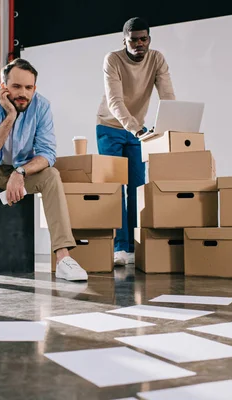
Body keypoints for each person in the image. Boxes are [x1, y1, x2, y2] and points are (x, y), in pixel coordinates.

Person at [0, 58, 88, 283]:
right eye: (16, 87)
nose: (23, 93)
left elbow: (47, 154)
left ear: (34, 88)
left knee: (52, 176)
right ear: (3, 86)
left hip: (21, 171)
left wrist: (20, 173)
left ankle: (64, 258)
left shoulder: (42, 105)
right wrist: (10, 117)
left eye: (29, 88)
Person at [96, 17, 176, 266]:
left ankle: (133, 246)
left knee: (137, 187)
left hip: (137, 130)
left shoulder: (157, 59)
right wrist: (137, 129)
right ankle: (119, 247)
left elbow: (167, 96)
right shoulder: (113, 59)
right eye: (133, 40)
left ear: (149, 39)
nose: (139, 44)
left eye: (143, 39)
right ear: (125, 41)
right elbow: (114, 102)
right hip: (110, 127)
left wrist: (170, 128)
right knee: (116, 187)